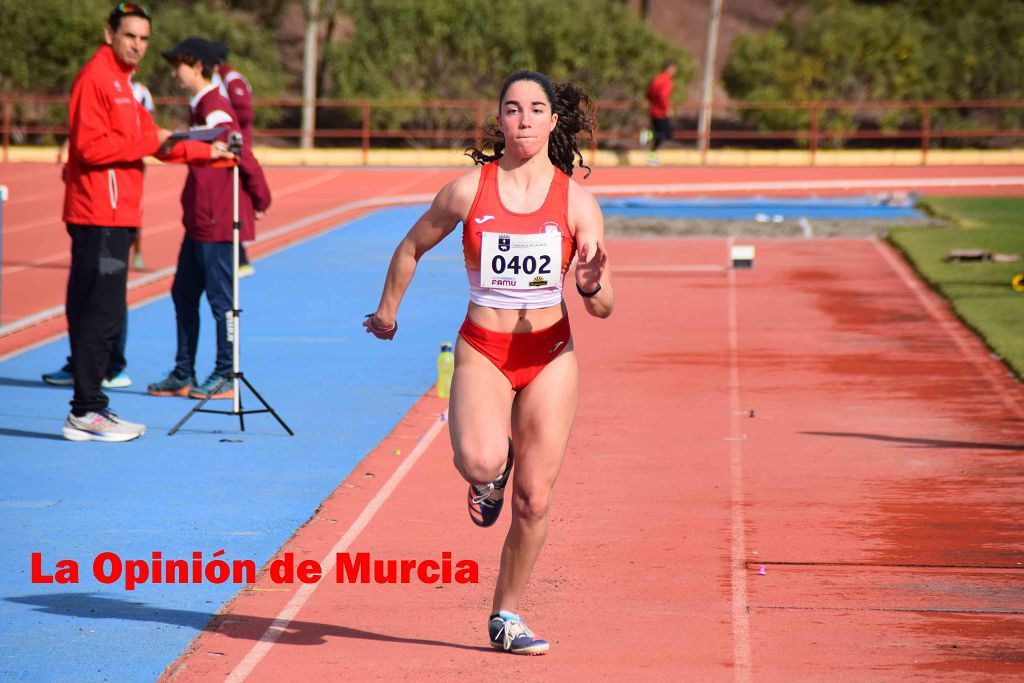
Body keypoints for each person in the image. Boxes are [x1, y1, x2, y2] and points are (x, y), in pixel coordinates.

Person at [364, 70, 614, 655]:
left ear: (553, 122)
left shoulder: (577, 202)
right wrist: (387, 311)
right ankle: (489, 479)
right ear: (498, 121)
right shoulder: (465, 192)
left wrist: (590, 284)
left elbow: (603, 307)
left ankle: (506, 614)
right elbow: (410, 246)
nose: (523, 119)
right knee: (479, 459)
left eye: (535, 109)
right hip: (484, 347)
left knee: (534, 500)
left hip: (550, 354)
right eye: (512, 109)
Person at [60, 3, 232, 442]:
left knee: (104, 311)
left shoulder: (123, 83)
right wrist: (148, 139)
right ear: (110, 34)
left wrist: (204, 152)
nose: (137, 45)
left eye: (143, 38)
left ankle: (87, 408)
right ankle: (87, 410)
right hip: (98, 215)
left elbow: (156, 143)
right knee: (101, 312)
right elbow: (89, 148)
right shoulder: (97, 80)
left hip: (116, 217)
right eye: (130, 36)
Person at [146, 37, 271, 401]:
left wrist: (260, 194)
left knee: (220, 299)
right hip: (199, 219)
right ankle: (183, 371)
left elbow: (240, 151)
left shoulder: (215, 105)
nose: (174, 72)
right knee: (183, 293)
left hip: (217, 218)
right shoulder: (200, 104)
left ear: (197, 66)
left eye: (178, 65)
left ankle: (225, 372)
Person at [45, 73, 155, 390]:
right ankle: (81, 363)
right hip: (88, 208)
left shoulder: (136, 92)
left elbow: (141, 137)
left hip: (116, 206)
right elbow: (86, 133)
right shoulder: (95, 83)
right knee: (83, 293)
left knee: (108, 294)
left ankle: (113, 365)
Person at [209, 40, 255, 277]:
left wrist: (229, 125)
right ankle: (235, 255)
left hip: (236, 150)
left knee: (233, 204)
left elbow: (246, 112)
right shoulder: (223, 79)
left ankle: (239, 258)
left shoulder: (232, 80)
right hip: (227, 149)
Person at [645, 61, 676, 164]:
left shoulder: (656, 79)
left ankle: (651, 157)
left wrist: (652, 103)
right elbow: (663, 96)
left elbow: (648, 93)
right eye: (673, 69)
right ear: (669, 69)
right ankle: (647, 135)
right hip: (660, 112)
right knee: (665, 134)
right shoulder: (667, 81)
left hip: (653, 110)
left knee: (661, 135)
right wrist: (666, 108)